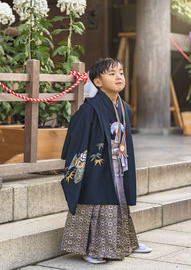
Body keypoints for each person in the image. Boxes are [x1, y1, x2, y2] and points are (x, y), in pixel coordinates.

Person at [60, 58, 152, 264]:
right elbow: (77, 139)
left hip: (119, 164)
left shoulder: (124, 108)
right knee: (96, 204)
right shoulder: (89, 109)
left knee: (119, 202)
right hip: (97, 166)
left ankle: (125, 243)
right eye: (112, 74)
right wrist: (77, 169)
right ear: (97, 82)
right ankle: (91, 249)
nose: (119, 77)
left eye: (121, 72)